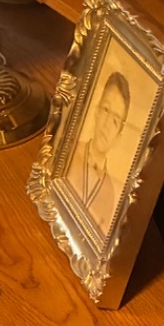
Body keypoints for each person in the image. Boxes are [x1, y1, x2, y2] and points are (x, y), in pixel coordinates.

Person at [65, 70, 131, 236]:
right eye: (106, 110)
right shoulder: (68, 153)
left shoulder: (113, 192)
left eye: (116, 120)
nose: (108, 124)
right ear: (96, 112)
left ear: (119, 136)